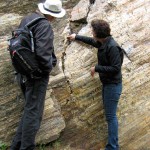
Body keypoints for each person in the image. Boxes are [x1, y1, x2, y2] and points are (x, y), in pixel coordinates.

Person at [10, 0, 66, 150]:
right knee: (34, 115)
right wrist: (48, 68)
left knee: (29, 111)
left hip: (22, 72)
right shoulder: (44, 25)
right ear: (53, 15)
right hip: (36, 76)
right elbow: (43, 55)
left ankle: (15, 146)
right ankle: (26, 147)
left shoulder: (28, 19)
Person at [67, 19, 123, 150]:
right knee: (110, 116)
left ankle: (113, 147)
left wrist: (96, 68)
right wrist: (77, 37)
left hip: (113, 86)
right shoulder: (104, 42)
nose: (91, 32)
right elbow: (92, 42)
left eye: (93, 30)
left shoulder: (112, 47)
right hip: (108, 84)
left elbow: (116, 68)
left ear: (98, 33)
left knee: (111, 117)